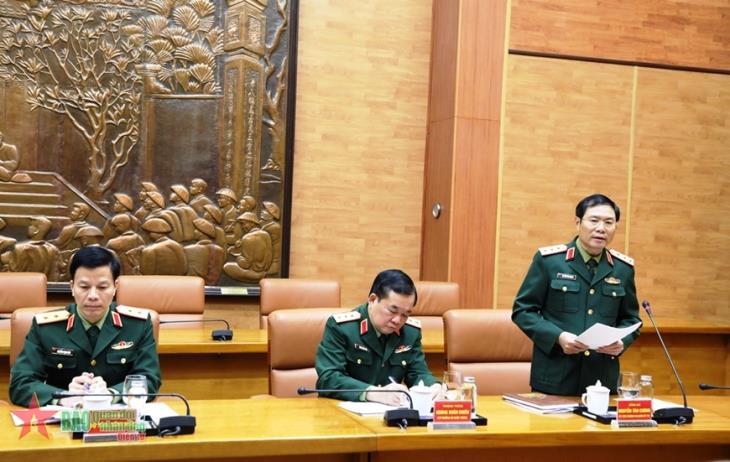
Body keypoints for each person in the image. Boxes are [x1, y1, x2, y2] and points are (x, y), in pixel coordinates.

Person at [512, 194, 641, 396]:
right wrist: (559, 337)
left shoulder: (622, 268)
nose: (601, 228)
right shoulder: (550, 261)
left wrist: (621, 342)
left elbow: (631, 319)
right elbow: (523, 311)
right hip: (555, 376)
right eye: (594, 220)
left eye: (609, 222)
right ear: (578, 223)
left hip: (602, 379)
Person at [9, 246, 161, 407]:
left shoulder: (137, 325)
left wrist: (112, 393)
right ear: (72, 287)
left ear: (115, 287)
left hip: (115, 415)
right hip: (64, 416)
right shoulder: (46, 327)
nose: (93, 296)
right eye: (84, 287)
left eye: (102, 287)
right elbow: (21, 383)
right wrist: (63, 396)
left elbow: (149, 378)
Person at [315, 269, 440, 405]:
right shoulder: (342, 327)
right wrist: (372, 392)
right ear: (373, 299)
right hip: (341, 411)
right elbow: (328, 378)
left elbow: (418, 373)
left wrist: (435, 386)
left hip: (389, 413)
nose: (397, 320)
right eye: (392, 310)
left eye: (405, 314)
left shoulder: (410, 332)